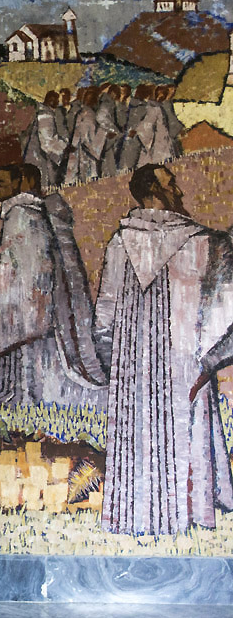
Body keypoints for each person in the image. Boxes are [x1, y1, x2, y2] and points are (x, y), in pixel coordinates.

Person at [95, 164, 233, 534]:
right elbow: (224, 305)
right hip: (185, 358)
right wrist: (209, 357)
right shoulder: (201, 241)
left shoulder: (120, 242)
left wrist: (116, 364)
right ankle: (189, 515)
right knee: (187, 428)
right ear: (154, 191)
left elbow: (104, 317)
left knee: (136, 434)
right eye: (171, 184)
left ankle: (133, 517)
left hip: (132, 365)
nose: (179, 191)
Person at [0, 164, 106, 406]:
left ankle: (21, 396)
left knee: (27, 352)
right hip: (39, 299)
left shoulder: (22, 213)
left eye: (1, 182)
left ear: (20, 181)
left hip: (29, 298)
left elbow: (15, 261)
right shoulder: (37, 212)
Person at [22, 90, 68, 186]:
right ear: (51, 101)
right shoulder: (45, 116)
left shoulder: (42, 113)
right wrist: (64, 149)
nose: (58, 103)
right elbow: (47, 142)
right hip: (39, 160)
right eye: (57, 101)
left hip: (36, 158)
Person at [63, 86, 105, 185]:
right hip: (86, 153)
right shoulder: (88, 114)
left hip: (81, 150)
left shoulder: (82, 112)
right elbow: (86, 137)